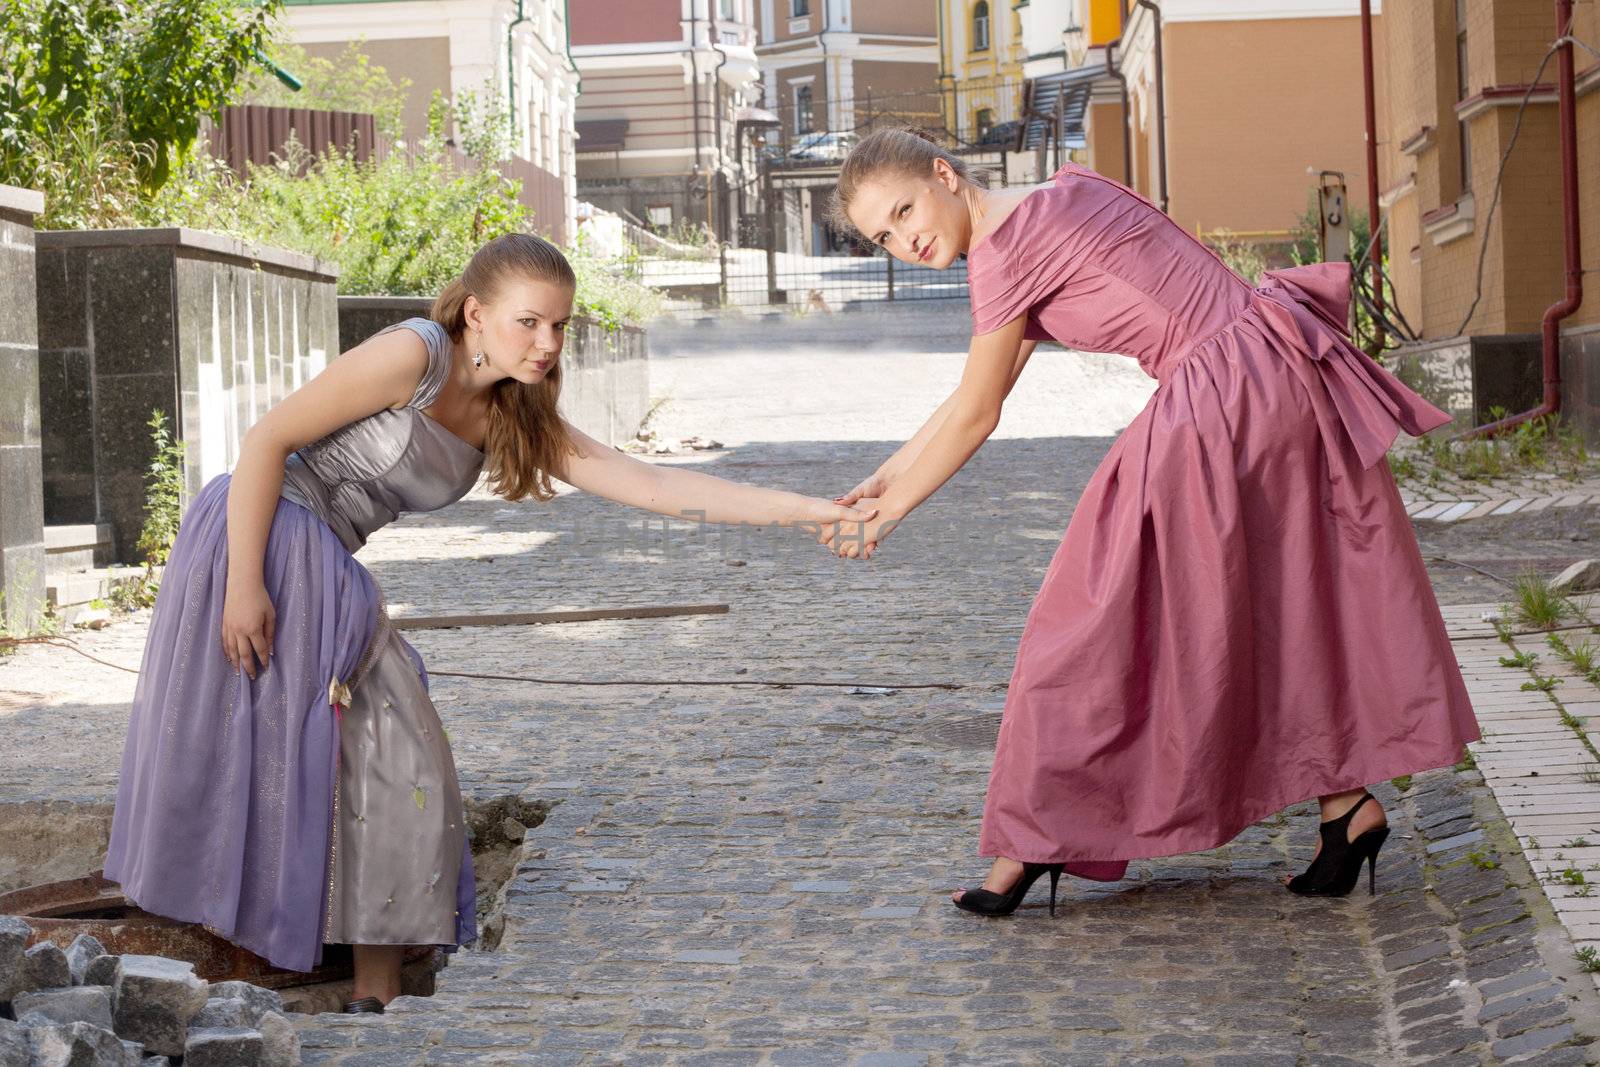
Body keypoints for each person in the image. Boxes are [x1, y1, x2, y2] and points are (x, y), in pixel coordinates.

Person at [105, 233, 873, 1009]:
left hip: (323, 566)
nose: (547, 343)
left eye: (560, 326)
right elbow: (267, 438)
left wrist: (808, 513)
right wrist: (244, 584)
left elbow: (650, 484)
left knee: (387, 755)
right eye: (528, 322)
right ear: (475, 312)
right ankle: (269, 974)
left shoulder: (514, 409)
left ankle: (376, 990)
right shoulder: (417, 353)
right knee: (311, 748)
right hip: (262, 537)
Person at [822, 128, 1479, 915]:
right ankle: (1347, 810)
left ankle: (1037, 837)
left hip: (1222, 394)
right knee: (1284, 600)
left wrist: (887, 514)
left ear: (944, 175)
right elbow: (974, 392)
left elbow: (977, 412)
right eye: (882, 236)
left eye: (904, 210)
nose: (906, 238)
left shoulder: (1003, 255)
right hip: (1273, 358)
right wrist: (883, 477)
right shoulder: (1058, 194)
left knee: (1089, 618)